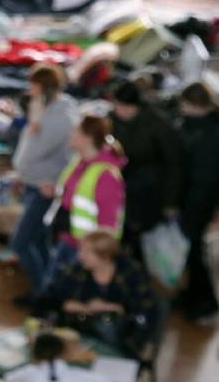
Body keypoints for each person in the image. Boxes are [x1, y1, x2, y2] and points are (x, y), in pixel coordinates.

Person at [9, 63, 78, 302]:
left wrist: (34, 123)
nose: (29, 91)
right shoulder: (46, 109)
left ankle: (42, 293)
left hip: (44, 188)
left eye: (34, 86)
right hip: (33, 183)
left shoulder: (61, 118)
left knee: (21, 242)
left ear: (45, 88)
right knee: (39, 241)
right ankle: (50, 289)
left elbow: (35, 150)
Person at [35, 229, 157, 354]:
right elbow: (42, 300)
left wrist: (114, 308)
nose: (80, 255)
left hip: (122, 340)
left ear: (105, 256)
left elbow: (147, 309)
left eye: (86, 252)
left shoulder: (130, 273)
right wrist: (70, 306)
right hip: (76, 336)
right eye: (80, 250)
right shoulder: (73, 271)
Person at [44, 114, 126, 283]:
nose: (70, 135)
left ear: (87, 138)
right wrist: (55, 192)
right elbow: (74, 196)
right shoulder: (79, 162)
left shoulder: (106, 176)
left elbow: (109, 226)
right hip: (67, 240)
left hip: (85, 252)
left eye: (75, 131)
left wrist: (91, 255)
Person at [108, 80, 181, 244]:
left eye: (125, 107)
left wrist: (170, 201)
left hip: (149, 194)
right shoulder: (111, 120)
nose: (120, 111)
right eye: (117, 106)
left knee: (143, 239)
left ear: (136, 106)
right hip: (120, 189)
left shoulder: (158, 125)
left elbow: (174, 165)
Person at [175, 82, 219, 322]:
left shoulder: (209, 133)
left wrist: (191, 208)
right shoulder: (198, 125)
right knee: (192, 252)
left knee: (194, 253)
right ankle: (194, 295)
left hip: (198, 202)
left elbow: (205, 177)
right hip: (194, 199)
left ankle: (205, 301)